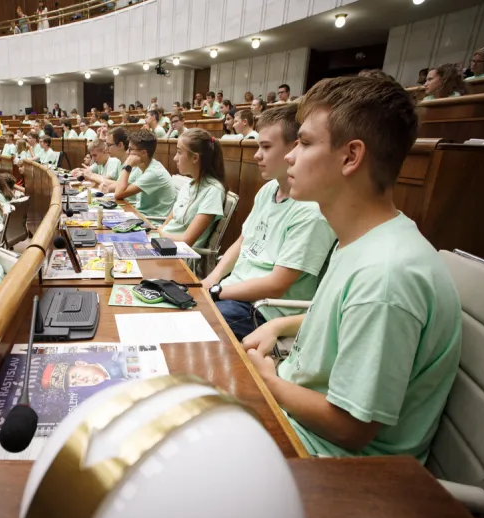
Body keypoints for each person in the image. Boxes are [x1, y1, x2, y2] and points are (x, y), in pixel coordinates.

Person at [244, 76, 462, 462]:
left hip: (333, 463)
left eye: (306, 143)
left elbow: (351, 428)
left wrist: (266, 381)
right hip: (299, 421)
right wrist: (280, 325)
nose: (291, 156)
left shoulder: (386, 276)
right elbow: (340, 315)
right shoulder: (365, 239)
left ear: (351, 157)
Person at [202, 105, 336, 340]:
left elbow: (277, 285)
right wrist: (211, 280)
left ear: (293, 149)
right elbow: (244, 240)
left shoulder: (311, 211)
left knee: (192, 324)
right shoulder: (268, 189)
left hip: (264, 310)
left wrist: (217, 291)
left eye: (266, 147)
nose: (257, 155)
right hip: (233, 293)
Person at [158, 128, 226, 248]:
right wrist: (160, 232)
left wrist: (161, 232)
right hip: (161, 243)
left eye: (179, 152)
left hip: (177, 254)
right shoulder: (188, 186)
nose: (175, 158)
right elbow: (166, 224)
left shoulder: (213, 190)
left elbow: (186, 240)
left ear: (195, 158)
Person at [114, 130, 176, 218]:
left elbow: (119, 193)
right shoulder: (141, 167)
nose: (127, 152)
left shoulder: (154, 173)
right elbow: (120, 186)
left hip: (153, 221)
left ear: (143, 153)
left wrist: (128, 165)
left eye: (130, 149)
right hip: (140, 215)